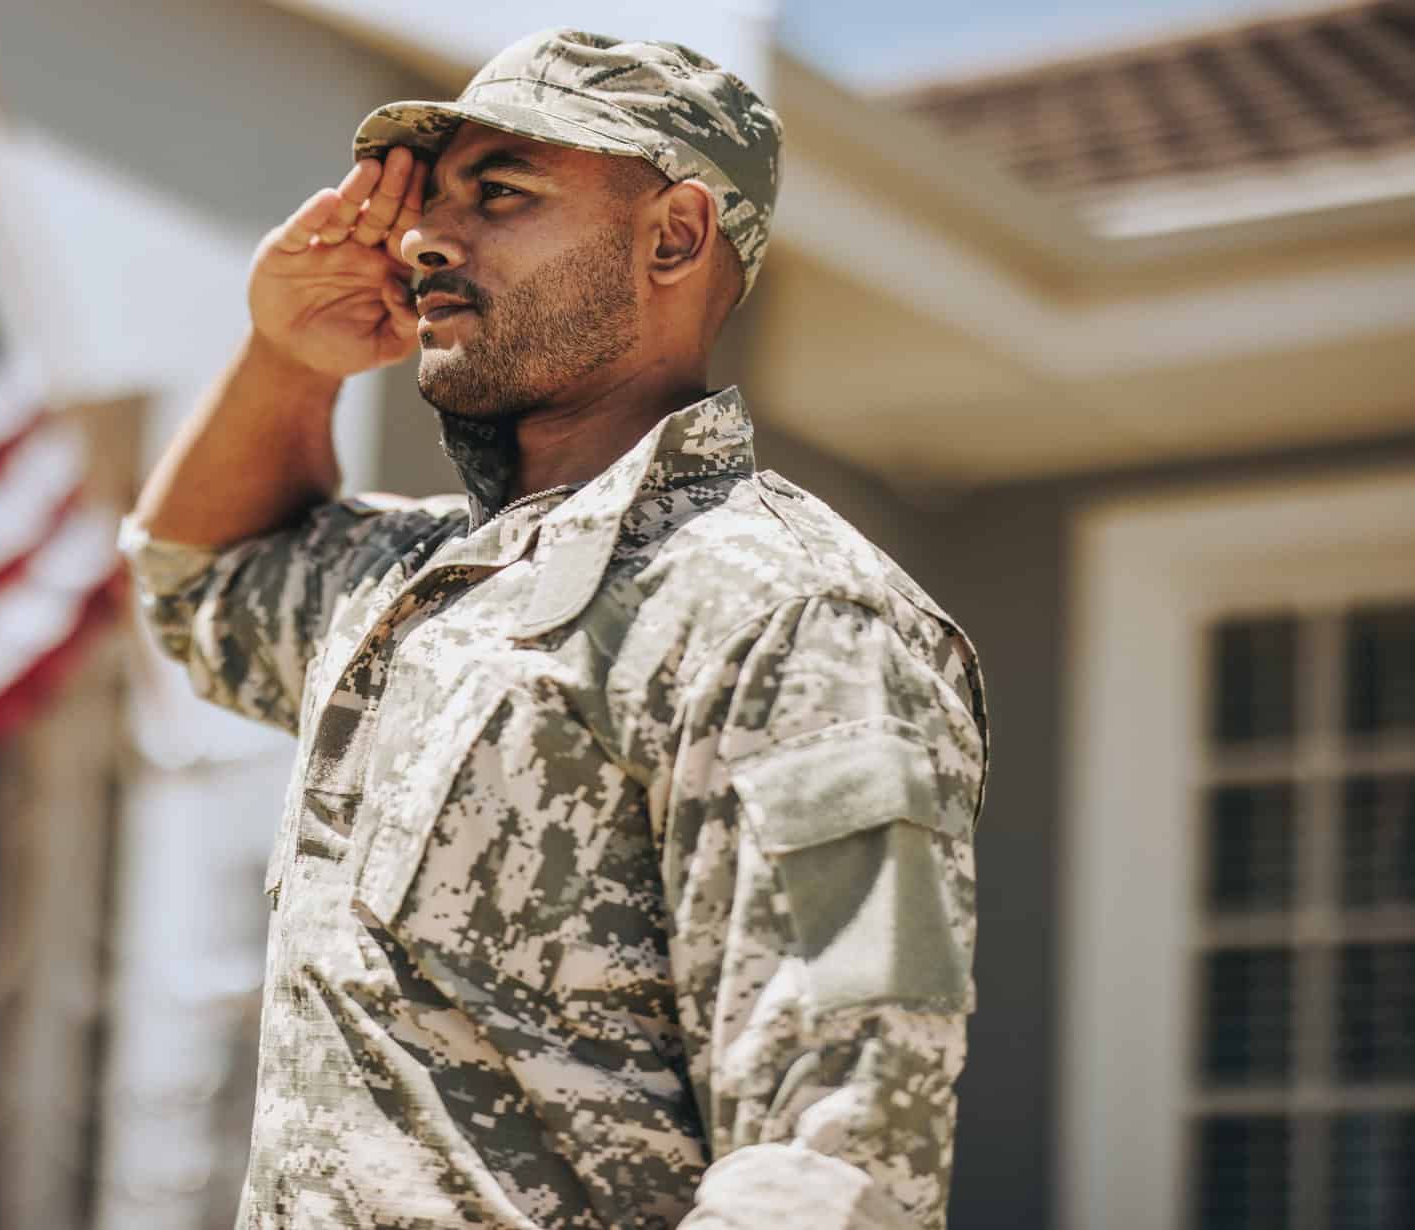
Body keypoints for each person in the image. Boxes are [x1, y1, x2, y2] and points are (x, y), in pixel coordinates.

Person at [118, 28, 990, 1230]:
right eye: (426, 200)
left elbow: (835, 1153)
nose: (424, 235)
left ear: (674, 236)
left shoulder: (791, 614)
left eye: (500, 194)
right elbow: (198, 584)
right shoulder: (413, 577)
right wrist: (286, 358)